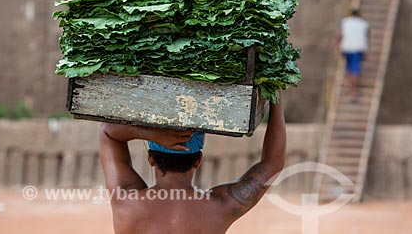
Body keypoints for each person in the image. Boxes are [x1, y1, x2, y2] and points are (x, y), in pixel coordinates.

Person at [99, 93, 286, 234]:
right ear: (198, 160)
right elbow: (273, 163)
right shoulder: (219, 207)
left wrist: (149, 134)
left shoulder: (126, 202)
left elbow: (108, 132)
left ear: (150, 158)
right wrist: (276, 96)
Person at [337, 9, 370, 99]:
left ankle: (351, 87)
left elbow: (340, 34)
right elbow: (366, 37)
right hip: (358, 49)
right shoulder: (364, 24)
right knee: (355, 71)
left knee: (348, 69)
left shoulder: (345, 21)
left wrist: (337, 43)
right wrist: (365, 52)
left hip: (346, 48)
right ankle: (353, 90)